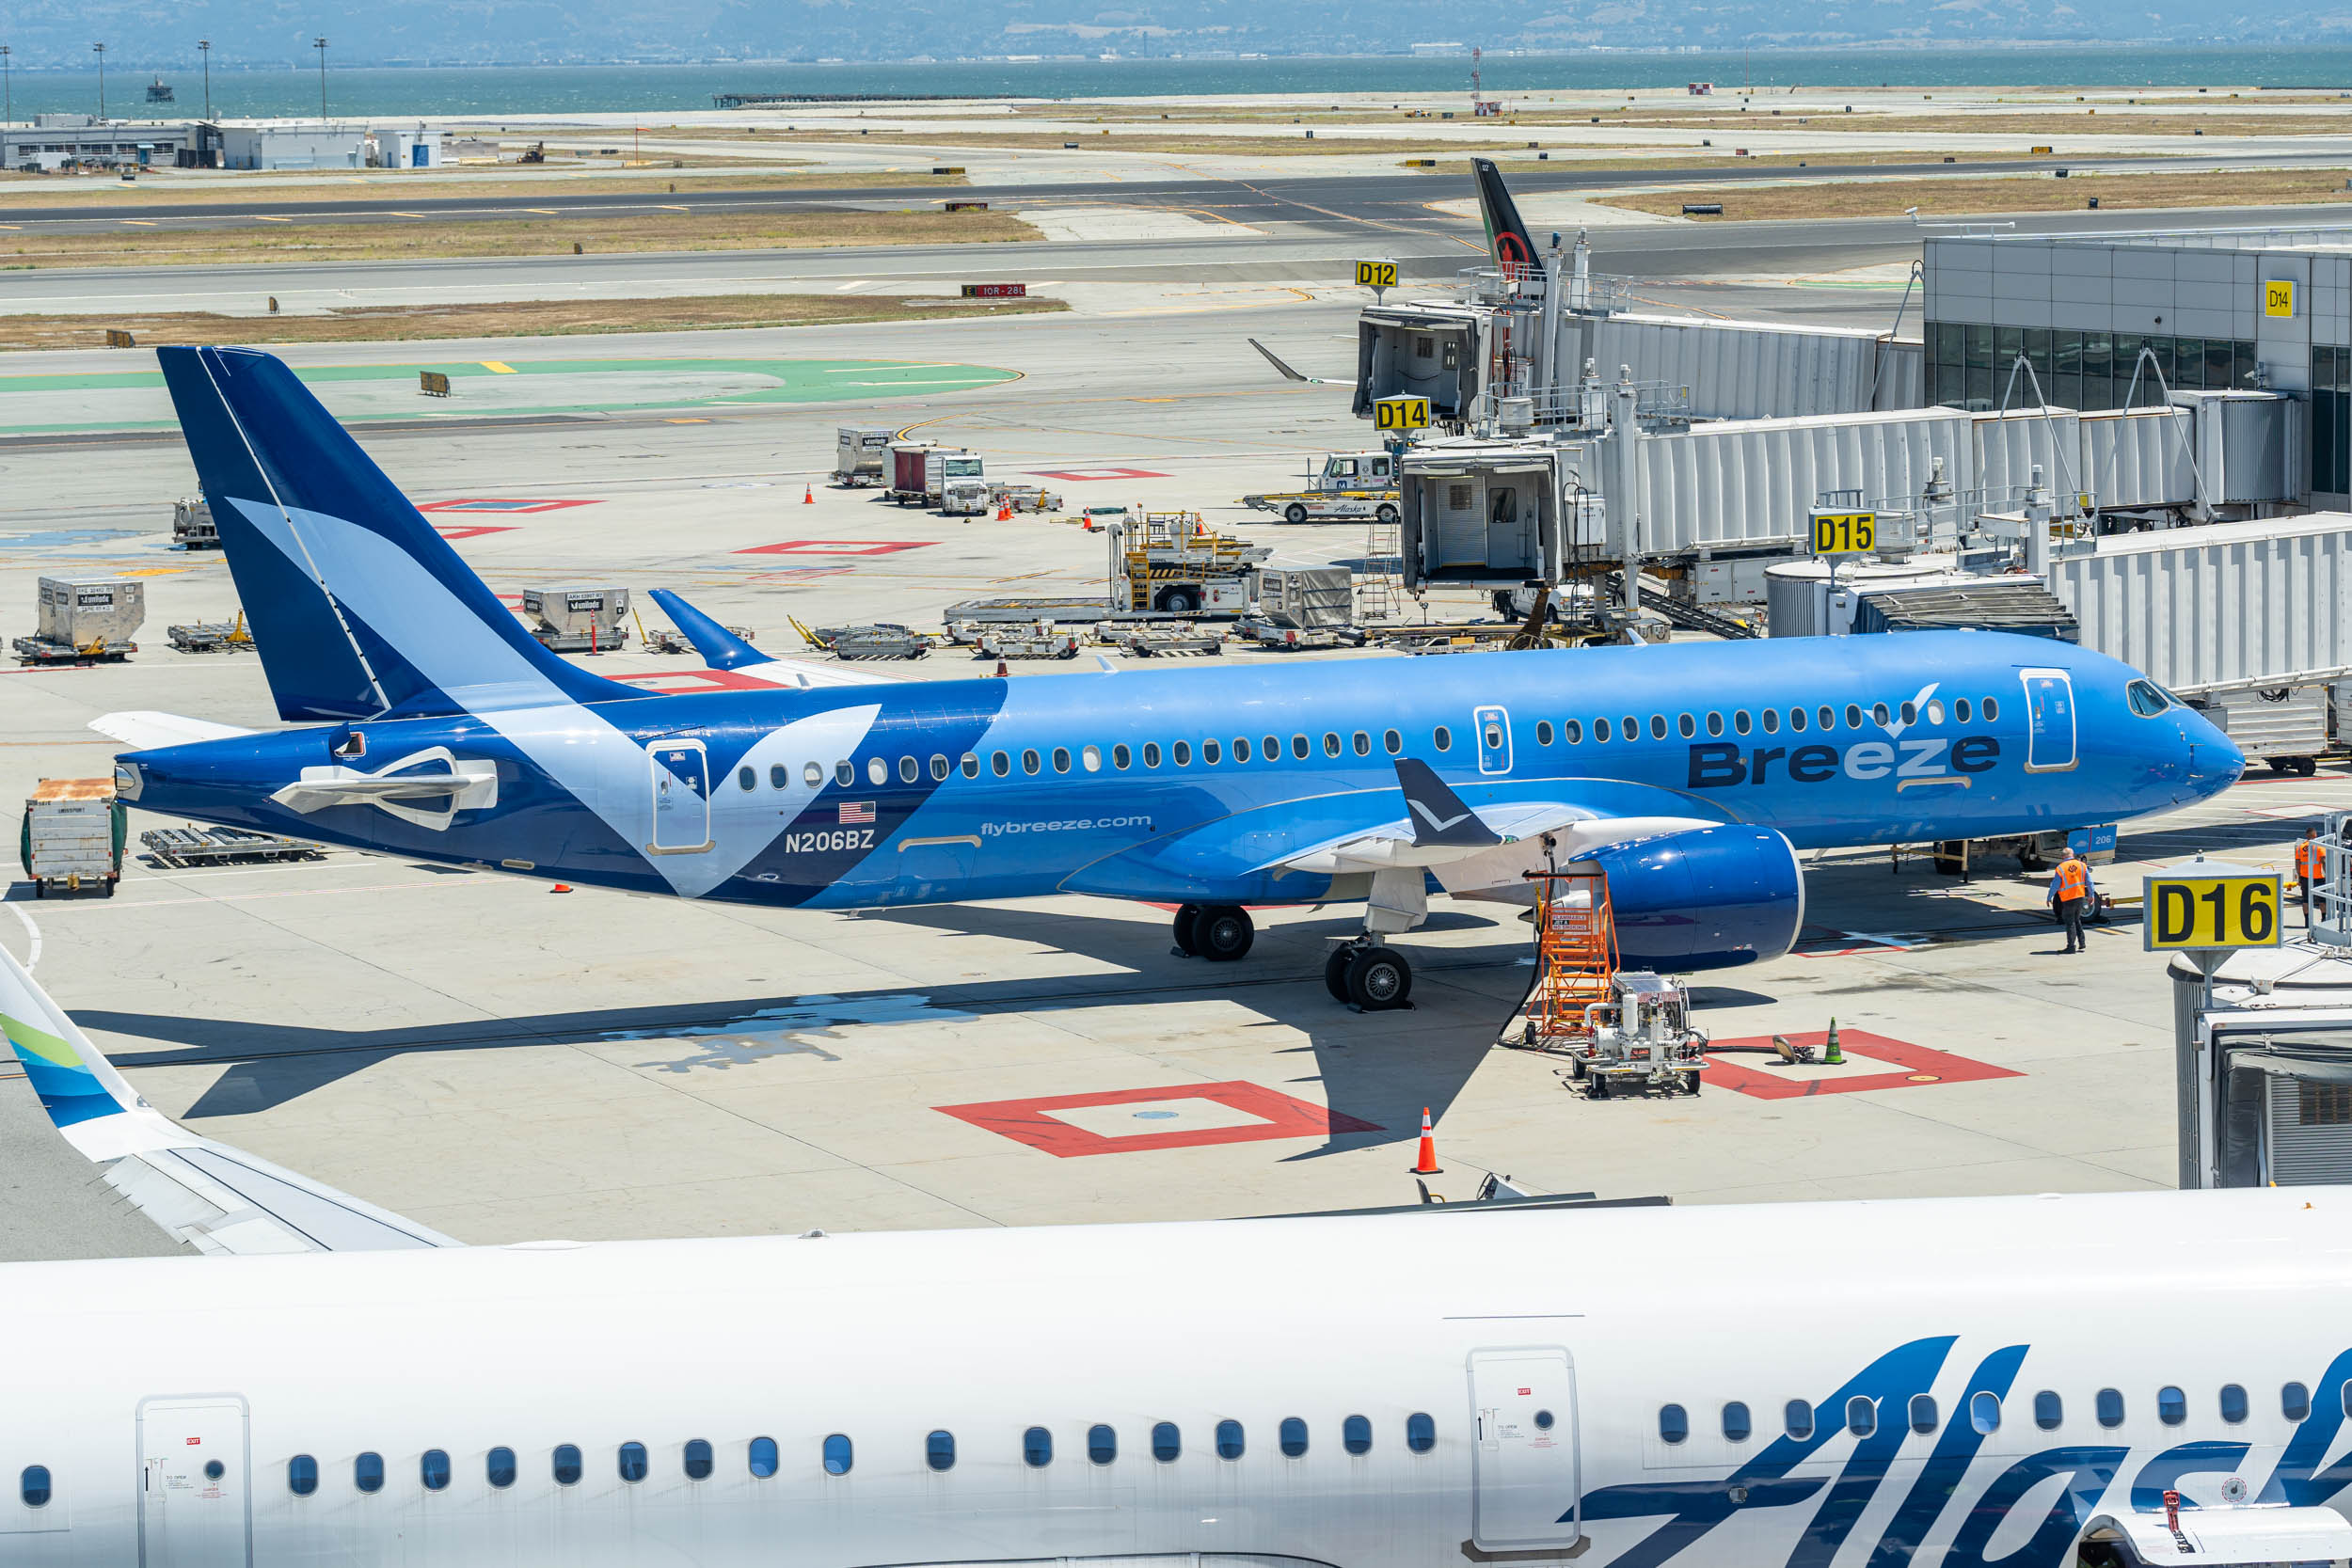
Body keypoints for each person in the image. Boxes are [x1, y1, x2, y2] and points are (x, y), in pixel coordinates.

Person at [2048, 849, 2095, 955]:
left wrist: (2049, 897)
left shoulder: (2061, 868)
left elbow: (2055, 885)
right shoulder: (2081, 865)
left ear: (2063, 856)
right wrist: (2091, 895)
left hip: (2068, 899)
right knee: (2077, 919)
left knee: (2070, 923)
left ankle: (2071, 947)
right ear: (2072, 855)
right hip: (2079, 897)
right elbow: (2090, 882)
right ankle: (2082, 943)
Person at [2297, 827, 2328, 928]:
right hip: (2318, 877)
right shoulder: (2319, 847)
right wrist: (2327, 874)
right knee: (2322, 900)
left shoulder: (2300, 847)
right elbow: (2323, 861)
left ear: (2307, 835)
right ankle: (2324, 919)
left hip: (2305, 877)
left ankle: (2307, 921)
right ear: (2315, 835)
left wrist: (2300, 876)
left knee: (2305, 900)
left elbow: (2298, 863)